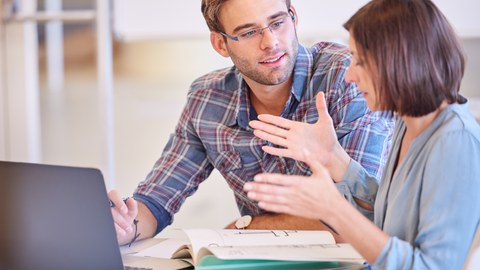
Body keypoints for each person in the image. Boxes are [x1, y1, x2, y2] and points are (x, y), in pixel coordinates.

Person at [109, 0, 395, 246]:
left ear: (293, 17)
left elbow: (361, 219)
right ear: (220, 44)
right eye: (248, 32)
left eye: (278, 23)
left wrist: (245, 228)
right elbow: (156, 201)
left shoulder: (347, 77)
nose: (270, 42)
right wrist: (126, 227)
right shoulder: (208, 100)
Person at [243, 0, 480, 269]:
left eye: (360, 61)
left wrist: (334, 209)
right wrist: (333, 157)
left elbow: (432, 266)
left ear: (399, 62)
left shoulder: (455, 142)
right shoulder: (409, 124)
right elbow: (384, 220)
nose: (349, 76)